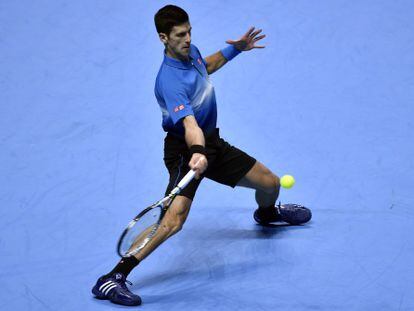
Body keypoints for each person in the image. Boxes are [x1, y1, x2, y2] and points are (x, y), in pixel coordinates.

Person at [92, 5, 312, 306]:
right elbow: (189, 124)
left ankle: (267, 214)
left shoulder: (190, 51)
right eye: (180, 35)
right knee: (173, 221)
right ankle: (112, 278)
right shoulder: (168, 81)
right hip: (185, 150)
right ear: (163, 38)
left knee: (270, 183)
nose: (188, 38)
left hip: (212, 144)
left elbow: (206, 66)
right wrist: (197, 152)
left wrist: (235, 50)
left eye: (189, 31)